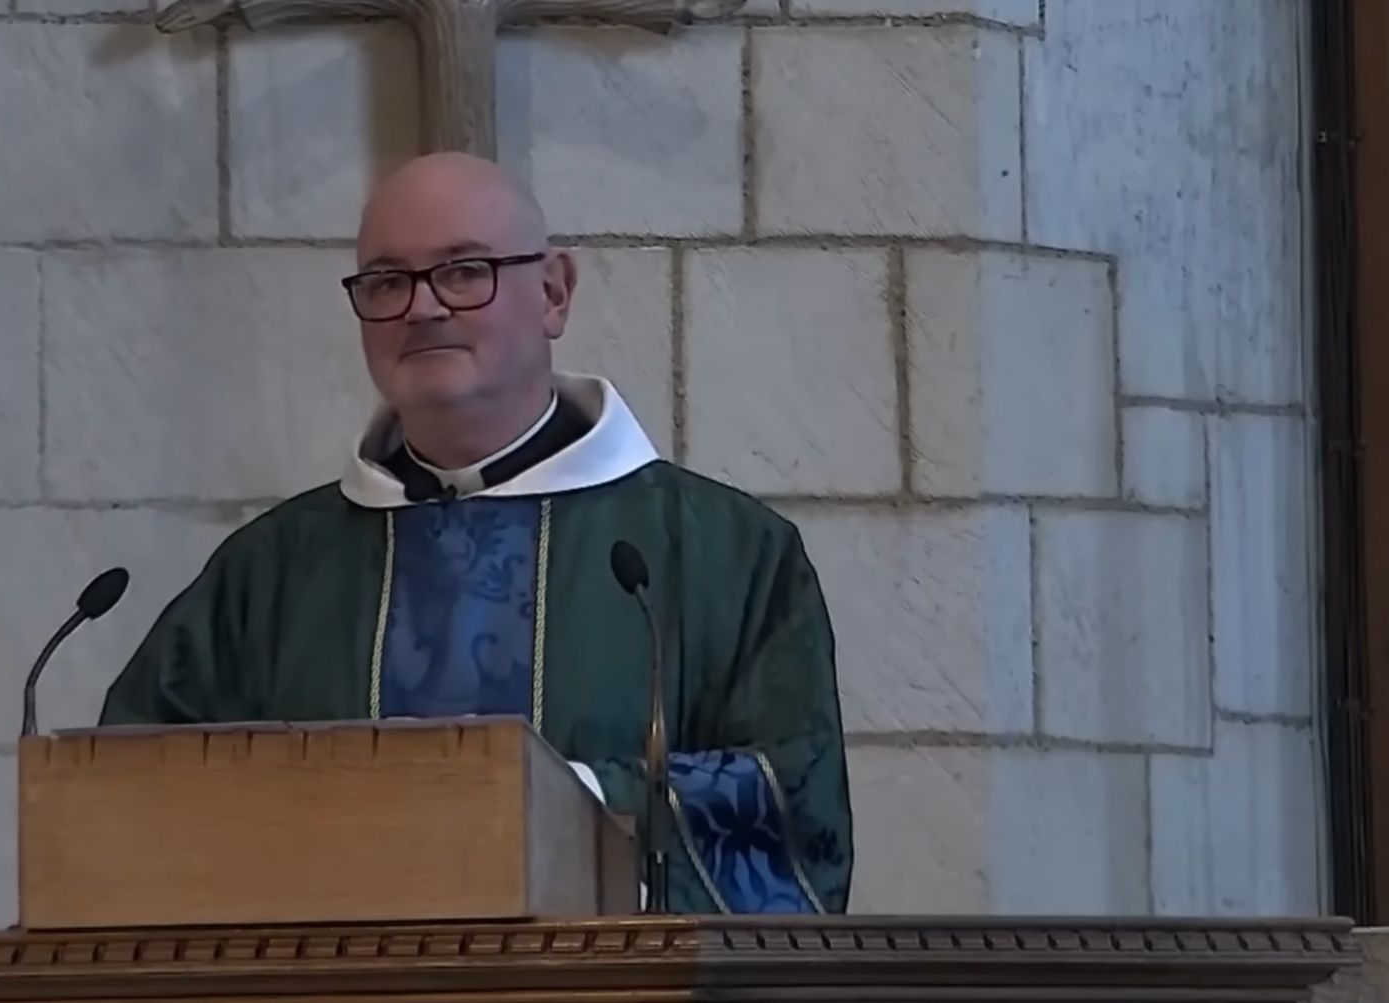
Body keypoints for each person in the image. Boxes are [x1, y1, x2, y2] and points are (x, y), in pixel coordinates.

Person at [98, 151, 853, 915]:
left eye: (464, 271)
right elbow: (131, 799)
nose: (422, 308)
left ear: (553, 292)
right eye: (387, 281)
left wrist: (555, 802)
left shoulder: (727, 552)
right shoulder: (271, 570)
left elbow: (794, 808)